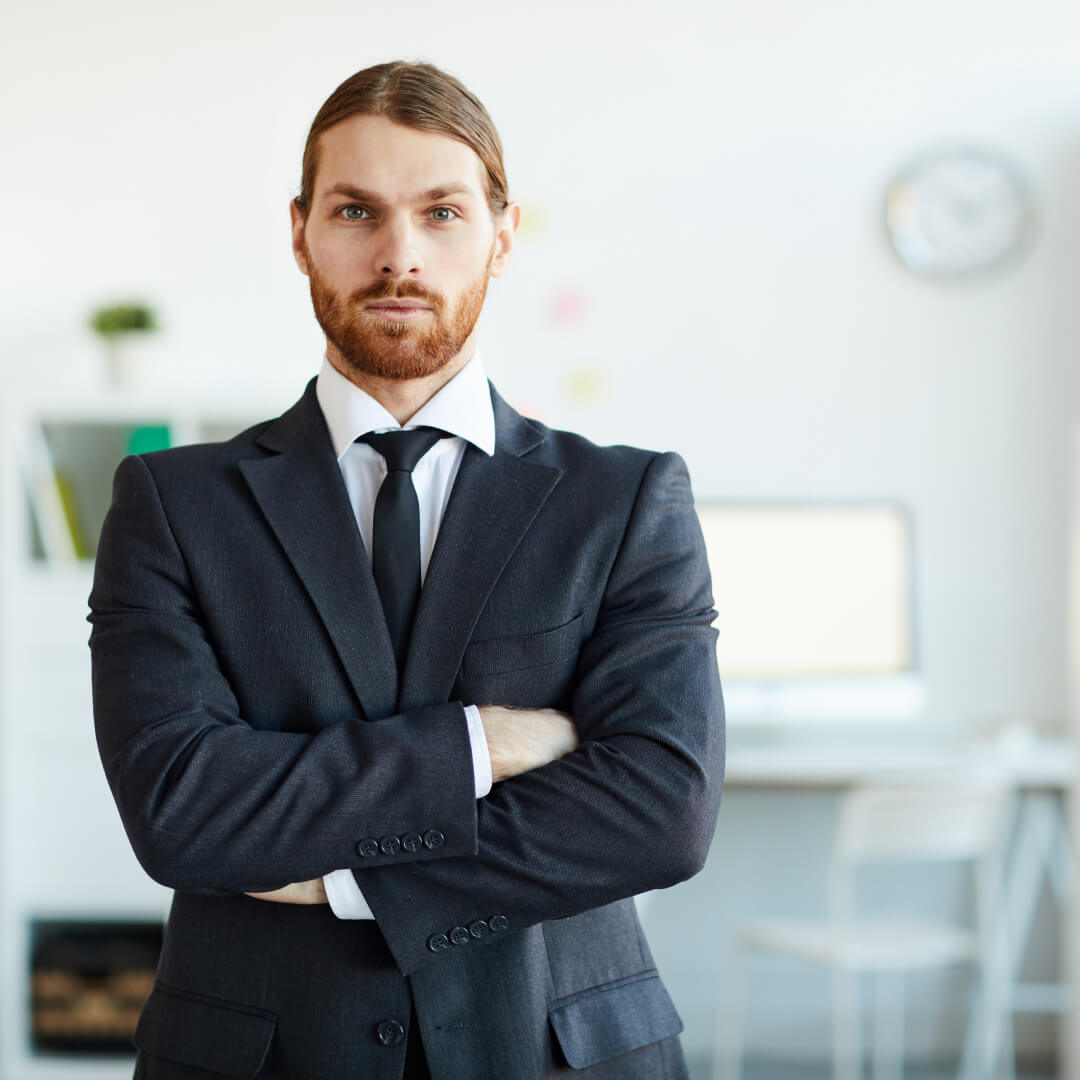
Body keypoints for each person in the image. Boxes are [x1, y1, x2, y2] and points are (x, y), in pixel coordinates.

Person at [89, 60, 724, 1080]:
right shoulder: (171, 506)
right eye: (356, 212)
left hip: (558, 1049)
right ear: (300, 232)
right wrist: (483, 743)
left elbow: (661, 811)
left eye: (441, 212)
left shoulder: (626, 500)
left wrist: (347, 881)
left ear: (503, 235)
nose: (399, 256)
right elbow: (181, 809)